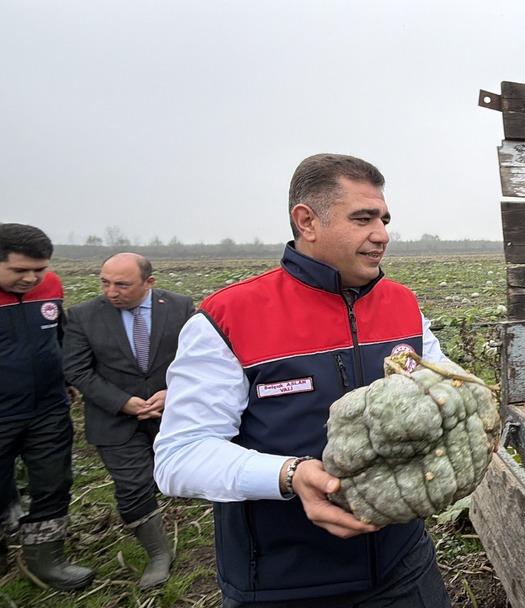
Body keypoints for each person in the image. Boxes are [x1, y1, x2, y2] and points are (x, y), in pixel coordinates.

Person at [154, 154, 454, 607]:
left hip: (403, 566)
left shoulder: (404, 306)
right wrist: (289, 475)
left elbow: (445, 389)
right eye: (363, 218)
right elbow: (179, 456)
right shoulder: (226, 319)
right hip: (285, 582)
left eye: (385, 219)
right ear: (307, 221)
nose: (382, 235)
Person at [63, 253, 194, 589]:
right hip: (114, 419)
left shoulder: (179, 307)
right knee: (132, 486)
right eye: (105, 282)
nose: (111, 291)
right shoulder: (82, 316)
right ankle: (158, 554)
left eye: (122, 284)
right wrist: (123, 403)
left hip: (172, 413)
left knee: (186, 474)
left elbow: (196, 357)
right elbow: (77, 369)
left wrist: (172, 391)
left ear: (149, 283)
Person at [0, 223, 95, 590]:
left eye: (38, 270)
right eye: (20, 270)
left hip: (48, 407)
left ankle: (47, 557)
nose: (31, 278)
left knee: (53, 480)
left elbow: (60, 337)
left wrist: (68, 378)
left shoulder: (51, 286)